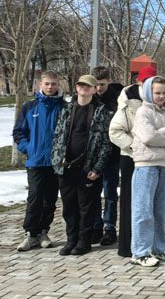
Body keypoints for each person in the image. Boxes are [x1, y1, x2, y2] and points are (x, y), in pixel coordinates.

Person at [51, 74, 111, 255]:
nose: (84, 88)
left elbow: (106, 143)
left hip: (88, 168)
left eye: (88, 86)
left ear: (94, 89)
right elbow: (57, 136)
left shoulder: (102, 112)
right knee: (69, 206)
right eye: (81, 85)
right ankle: (71, 240)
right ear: (76, 88)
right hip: (66, 166)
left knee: (86, 208)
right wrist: (57, 161)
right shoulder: (67, 109)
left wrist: (97, 168)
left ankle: (84, 241)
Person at [131, 76, 165, 267]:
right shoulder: (143, 112)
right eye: (157, 93)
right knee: (143, 209)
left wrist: (162, 133)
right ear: (148, 93)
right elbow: (148, 137)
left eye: (163, 92)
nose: (161, 96)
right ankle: (140, 252)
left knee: (160, 210)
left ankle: (158, 248)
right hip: (147, 165)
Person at [12, 70, 64, 252]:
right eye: (47, 84)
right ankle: (30, 233)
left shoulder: (64, 107)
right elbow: (19, 132)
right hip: (35, 161)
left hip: (55, 162)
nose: (50, 87)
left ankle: (43, 231)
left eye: (53, 84)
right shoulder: (29, 107)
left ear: (58, 85)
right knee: (35, 197)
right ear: (40, 85)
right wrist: (29, 148)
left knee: (50, 199)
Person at [109, 65, 157, 257]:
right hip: (131, 157)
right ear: (139, 81)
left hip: (152, 158)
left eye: (152, 82)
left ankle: (148, 244)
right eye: (145, 82)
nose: (148, 85)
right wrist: (134, 147)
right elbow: (115, 131)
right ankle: (127, 245)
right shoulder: (128, 100)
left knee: (149, 203)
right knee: (131, 202)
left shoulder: (159, 99)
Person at [92, 65, 125, 246]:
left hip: (112, 153)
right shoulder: (90, 97)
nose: (98, 88)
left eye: (102, 85)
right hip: (93, 155)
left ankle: (109, 227)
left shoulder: (118, 99)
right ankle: (95, 226)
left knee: (110, 192)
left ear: (109, 81)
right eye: (96, 85)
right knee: (93, 192)